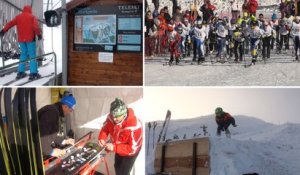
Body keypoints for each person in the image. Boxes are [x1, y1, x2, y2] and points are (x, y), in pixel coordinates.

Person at [98, 98, 142, 175]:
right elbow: (105, 129)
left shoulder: (135, 126)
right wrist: (102, 138)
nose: (114, 118)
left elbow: (132, 149)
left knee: (124, 172)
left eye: (117, 116)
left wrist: (114, 147)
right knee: (117, 166)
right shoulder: (111, 117)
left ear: (124, 114)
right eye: (112, 115)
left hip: (131, 152)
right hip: (118, 146)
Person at [0, 5, 42, 80]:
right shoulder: (32, 17)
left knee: (23, 54)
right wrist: (39, 34)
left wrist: (4, 30)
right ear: (30, 10)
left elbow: (10, 23)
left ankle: (20, 72)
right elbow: (35, 27)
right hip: (30, 40)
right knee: (32, 56)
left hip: (21, 40)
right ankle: (33, 73)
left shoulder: (18, 17)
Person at [37, 95, 76, 160]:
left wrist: (64, 141)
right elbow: (41, 135)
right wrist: (51, 151)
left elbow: (50, 134)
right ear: (65, 106)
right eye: (70, 110)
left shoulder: (54, 111)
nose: (69, 113)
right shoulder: (51, 112)